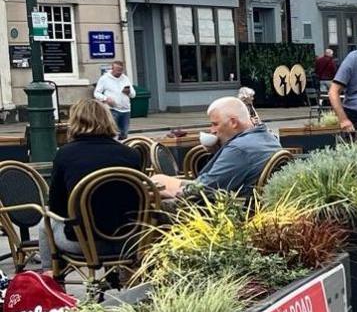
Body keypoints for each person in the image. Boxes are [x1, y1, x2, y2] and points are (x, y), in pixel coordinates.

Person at [47, 98, 140, 259]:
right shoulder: (130, 154)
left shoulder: (65, 154)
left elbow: (56, 207)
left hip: (83, 242)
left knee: (45, 224)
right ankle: (120, 275)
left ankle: (50, 275)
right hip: (128, 240)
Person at [151, 96, 282, 201]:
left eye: (215, 124)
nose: (212, 130)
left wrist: (173, 192)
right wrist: (218, 151)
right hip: (254, 200)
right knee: (158, 180)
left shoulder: (238, 149)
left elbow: (204, 188)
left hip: (227, 208)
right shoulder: (268, 136)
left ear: (233, 122)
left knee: (151, 187)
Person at [93, 60, 134, 139]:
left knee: (124, 133)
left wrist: (129, 92)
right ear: (112, 69)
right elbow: (96, 93)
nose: (119, 73)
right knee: (113, 132)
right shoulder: (104, 79)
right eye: (117, 70)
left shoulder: (125, 78)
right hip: (112, 109)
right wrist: (106, 98)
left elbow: (133, 94)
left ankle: (123, 149)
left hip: (126, 110)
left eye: (121, 70)